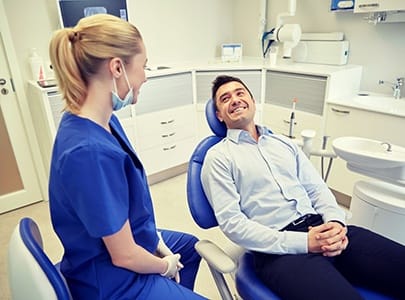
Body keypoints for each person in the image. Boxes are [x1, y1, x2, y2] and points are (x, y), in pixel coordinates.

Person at [201, 75, 405, 300]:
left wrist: (335, 223)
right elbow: (233, 224)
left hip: (323, 227)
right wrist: (304, 242)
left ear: (253, 100)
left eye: (240, 93)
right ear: (219, 115)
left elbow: (317, 188)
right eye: (225, 98)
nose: (235, 100)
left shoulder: (284, 144)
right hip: (279, 250)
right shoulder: (219, 158)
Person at [48, 14, 206, 299]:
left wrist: (155, 239)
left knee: (190, 248)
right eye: (143, 66)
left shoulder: (102, 120)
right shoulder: (88, 152)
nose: (145, 75)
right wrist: (163, 265)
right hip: (112, 280)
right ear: (117, 67)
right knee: (174, 262)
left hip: (127, 243)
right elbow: (124, 257)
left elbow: (125, 205)